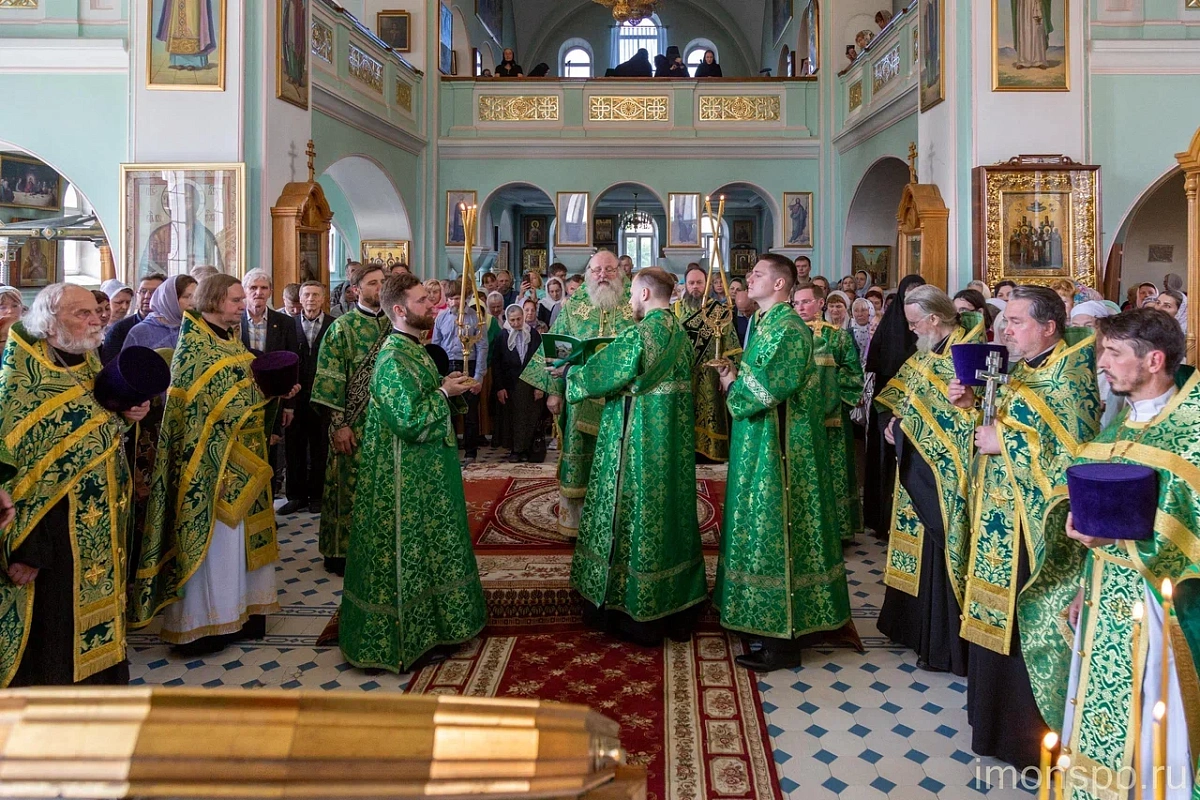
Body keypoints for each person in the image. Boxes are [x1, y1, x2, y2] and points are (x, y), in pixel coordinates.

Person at [948, 285, 1100, 768]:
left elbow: (1073, 455)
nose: (1003, 329)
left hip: (1035, 531)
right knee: (996, 617)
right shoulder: (1018, 372)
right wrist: (972, 404)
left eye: (1015, 322)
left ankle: (1029, 739)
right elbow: (1002, 425)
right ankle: (990, 724)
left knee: (1024, 623)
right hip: (999, 516)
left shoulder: (1070, 379)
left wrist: (1005, 443)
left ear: (1049, 327)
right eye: (1003, 321)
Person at [1059, 308, 1195, 800]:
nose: (1103, 364)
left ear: (1154, 359)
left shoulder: (1191, 432)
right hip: (1104, 601)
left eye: (1114, 353)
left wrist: (1119, 537)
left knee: (1156, 711)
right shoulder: (1117, 430)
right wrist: (1082, 584)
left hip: (1162, 611)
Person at [131, 274, 295, 656]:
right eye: (235, 299)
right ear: (213, 301)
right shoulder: (195, 347)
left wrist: (274, 394)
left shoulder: (229, 340)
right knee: (218, 548)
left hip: (247, 459)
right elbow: (203, 408)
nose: (243, 304)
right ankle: (207, 625)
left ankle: (243, 612)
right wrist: (262, 392)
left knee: (242, 547)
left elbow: (245, 391)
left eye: (242, 299)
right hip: (212, 465)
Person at [0, 284, 148, 687]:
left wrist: (130, 415)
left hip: (101, 531)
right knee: (55, 636)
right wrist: (30, 550)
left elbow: (98, 433)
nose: (96, 319)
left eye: (95, 313)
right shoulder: (23, 383)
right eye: (81, 314)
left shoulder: (86, 363)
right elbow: (21, 475)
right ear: (49, 323)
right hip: (53, 545)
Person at [338, 272, 486, 673]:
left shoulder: (414, 349)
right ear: (400, 310)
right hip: (402, 480)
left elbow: (422, 395)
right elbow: (409, 418)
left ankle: (439, 625)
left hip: (426, 473)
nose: (432, 306)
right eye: (423, 301)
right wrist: (444, 393)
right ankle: (409, 637)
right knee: (410, 552)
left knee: (432, 547)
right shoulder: (391, 358)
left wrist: (445, 384)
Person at [714, 254, 851, 671]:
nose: (747, 279)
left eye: (756, 275)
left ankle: (782, 637)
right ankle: (760, 622)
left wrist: (733, 386)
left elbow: (768, 386)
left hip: (782, 449)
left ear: (779, 284)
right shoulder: (769, 323)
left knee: (777, 527)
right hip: (764, 441)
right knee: (760, 525)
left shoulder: (788, 328)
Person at [568, 267, 706, 646]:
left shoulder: (641, 334)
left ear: (645, 294)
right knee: (671, 514)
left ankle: (630, 612)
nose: (629, 300)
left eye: (632, 293)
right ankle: (676, 604)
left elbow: (601, 374)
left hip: (638, 441)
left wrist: (571, 375)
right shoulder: (681, 333)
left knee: (634, 511)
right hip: (672, 444)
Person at [875, 286, 984, 676]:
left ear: (935, 320)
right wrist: (893, 426)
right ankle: (909, 628)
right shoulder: (927, 352)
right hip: (916, 467)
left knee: (939, 553)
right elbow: (905, 399)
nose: (911, 329)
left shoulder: (968, 355)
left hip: (943, 476)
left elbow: (967, 418)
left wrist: (908, 430)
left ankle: (936, 640)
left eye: (914, 322)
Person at [520, 250, 635, 538]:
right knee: (580, 458)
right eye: (596, 270)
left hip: (621, 401)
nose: (602, 275)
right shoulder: (574, 306)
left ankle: (619, 520)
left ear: (619, 272)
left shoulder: (634, 303)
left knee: (620, 461)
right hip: (580, 399)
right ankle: (577, 523)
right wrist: (554, 392)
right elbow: (556, 353)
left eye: (609, 270)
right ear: (587, 273)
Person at [311, 263, 390, 575]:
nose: (379, 288)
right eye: (372, 283)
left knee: (382, 489)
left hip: (387, 424)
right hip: (352, 426)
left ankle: (381, 549)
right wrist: (339, 425)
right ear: (356, 290)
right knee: (347, 488)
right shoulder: (342, 328)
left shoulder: (396, 325)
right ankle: (341, 553)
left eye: (383, 282)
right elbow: (329, 382)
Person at [794, 282, 864, 543]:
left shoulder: (838, 336)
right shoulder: (790, 335)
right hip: (798, 418)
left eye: (806, 302)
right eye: (796, 303)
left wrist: (829, 394)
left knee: (833, 472)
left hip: (831, 420)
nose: (801, 307)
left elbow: (853, 375)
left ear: (820, 303)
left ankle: (837, 531)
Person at [863, 275, 926, 537]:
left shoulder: (925, 328)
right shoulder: (889, 326)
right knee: (885, 460)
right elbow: (875, 362)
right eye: (908, 293)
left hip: (918, 405)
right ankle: (883, 519)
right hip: (887, 403)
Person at [675, 265, 741, 462]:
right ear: (685, 285)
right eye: (691, 283)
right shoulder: (675, 311)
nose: (695, 287)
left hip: (710, 379)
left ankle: (710, 457)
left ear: (707, 285)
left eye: (699, 283)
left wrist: (728, 373)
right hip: (683, 377)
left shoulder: (720, 312)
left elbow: (733, 346)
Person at [282, 281, 335, 515]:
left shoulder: (334, 325)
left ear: (323, 299)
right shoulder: (288, 325)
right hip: (295, 396)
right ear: (300, 299)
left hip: (323, 397)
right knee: (294, 446)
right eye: (307, 295)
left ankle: (318, 495)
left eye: (315, 295)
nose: (311, 299)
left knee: (320, 446)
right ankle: (295, 496)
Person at [431, 282, 488, 465]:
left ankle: (471, 452)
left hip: (468, 365)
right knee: (449, 412)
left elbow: (482, 347)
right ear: (446, 300)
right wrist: (438, 374)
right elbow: (436, 345)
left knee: (470, 412)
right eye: (451, 299)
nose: (454, 302)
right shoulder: (441, 318)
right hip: (448, 366)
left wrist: (478, 377)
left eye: (458, 298)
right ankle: (451, 450)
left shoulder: (475, 318)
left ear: (465, 299)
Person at [494, 304, 546, 461]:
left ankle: (527, 449)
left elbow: (540, 361)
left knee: (531, 416)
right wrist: (500, 387)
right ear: (508, 320)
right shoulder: (502, 336)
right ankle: (516, 450)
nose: (516, 323)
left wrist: (539, 386)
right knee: (514, 418)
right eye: (512, 320)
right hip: (511, 384)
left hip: (530, 383)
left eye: (518, 319)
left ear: (523, 317)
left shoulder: (533, 334)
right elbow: (496, 363)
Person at [101, 272, 166, 362]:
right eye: (143, 291)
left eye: (154, 292)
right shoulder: (120, 329)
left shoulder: (175, 326)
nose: (147, 296)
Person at [123, 274, 197, 351]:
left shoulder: (196, 327)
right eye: (186, 297)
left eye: (195, 297)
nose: (193, 302)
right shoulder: (141, 332)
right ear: (170, 299)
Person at [849, 297, 875, 367]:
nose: (859, 314)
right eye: (856, 311)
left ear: (870, 311)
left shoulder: (876, 332)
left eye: (863, 310)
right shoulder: (848, 333)